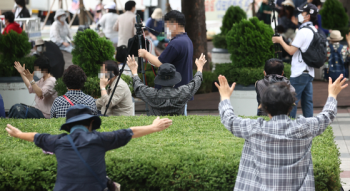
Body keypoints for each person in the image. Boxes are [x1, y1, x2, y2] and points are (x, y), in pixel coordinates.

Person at [215, 73, 347, 190]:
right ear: (291, 106)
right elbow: (327, 116)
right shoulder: (304, 128)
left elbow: (229, 120)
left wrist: (225, 97)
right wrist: (332, 95)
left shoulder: (254, 129)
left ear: (264, 107)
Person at [5, 104, 173, 191]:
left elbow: (36, 136)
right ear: (92, 122)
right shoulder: (99, 139)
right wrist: (153, 127)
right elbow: (129, 132)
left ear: (69, 126)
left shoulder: (58, 141)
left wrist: (18, 134)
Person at [272, 3, 319, 118]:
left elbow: (291, 51)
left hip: (299, 72)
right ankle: (309, 126)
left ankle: (290, 127)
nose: (300, 15)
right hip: (308, 72)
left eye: (302, 13)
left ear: (307, 16)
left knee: (291, 101)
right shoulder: (313, 29)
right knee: (307, 102)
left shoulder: (303, 31)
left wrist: (280, 40)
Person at [127, 54, 206, 116]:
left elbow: (138, 87)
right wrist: (200, 67)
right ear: (175, 79)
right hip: (178, 128)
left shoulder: (152, 94)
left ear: (159, 79)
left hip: (156, 129)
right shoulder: (183, 92)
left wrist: (134, 71)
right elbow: (196, 82)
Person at [138, 10, 194, 90]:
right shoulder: (187, 40)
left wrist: (145, 54)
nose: (166, 28)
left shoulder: (176, 43)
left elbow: (159, 63)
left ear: (174, 24)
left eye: (167, 25)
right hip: (182, 91)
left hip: (173, 93)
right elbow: (168, 59)